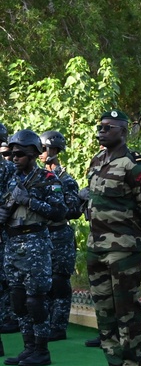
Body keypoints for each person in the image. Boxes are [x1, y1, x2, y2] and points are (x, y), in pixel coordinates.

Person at [83, 110, 141, 366]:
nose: (101, 130)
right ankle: (114, 363)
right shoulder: (98, 160)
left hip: (123, 248)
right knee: (103, 308)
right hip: (96, 245)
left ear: (123, 132)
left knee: (126, 309)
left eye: (108, 127)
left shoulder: (134, 165)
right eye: (99, 126)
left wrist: (138, 238)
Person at [0, 130, 67, 366]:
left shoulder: (48, 180)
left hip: (35, 242)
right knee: (17, 299)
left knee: (35, 300)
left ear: (33, 154)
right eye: (11, 154)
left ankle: (41, 349)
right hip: (12, 242)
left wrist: (29, 200)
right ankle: (28, 347)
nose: (14, 158)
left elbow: (60, 212)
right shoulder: (11, 178)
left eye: (19, 154)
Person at [39, 130, 83, 342]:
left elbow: (75, 210)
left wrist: (54, 208)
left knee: (59, 282)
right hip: (42, 235)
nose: (39, 154)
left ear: (53, 150)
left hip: (60, 235)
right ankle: (45, 324)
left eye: (43, 149)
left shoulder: (66, 180)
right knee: (42, 282)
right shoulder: (37, 177)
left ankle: (58, 326)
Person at [0, 123, 19, 339]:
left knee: (7, 279)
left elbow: (12, 196)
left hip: (6, 232)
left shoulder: (8, 169)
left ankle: (8, 318)